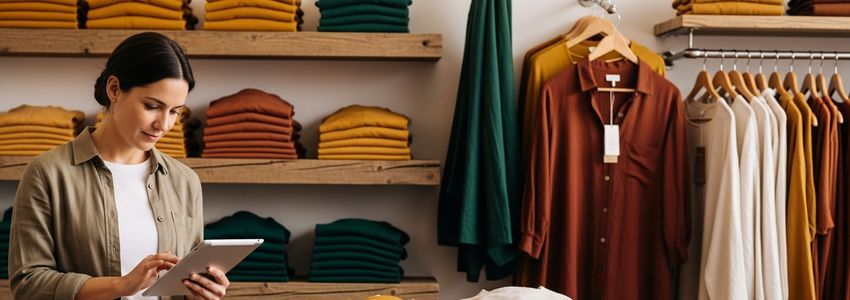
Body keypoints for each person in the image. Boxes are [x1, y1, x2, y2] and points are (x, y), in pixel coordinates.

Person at [8, 32, 229, 299]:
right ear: (114, 89)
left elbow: (184, 281)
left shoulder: (184, 181)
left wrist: (202, 292)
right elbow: (28, 284)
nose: (164, 124)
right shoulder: (48, 173)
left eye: (174, 111)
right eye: (152, 106)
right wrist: (121, 285)